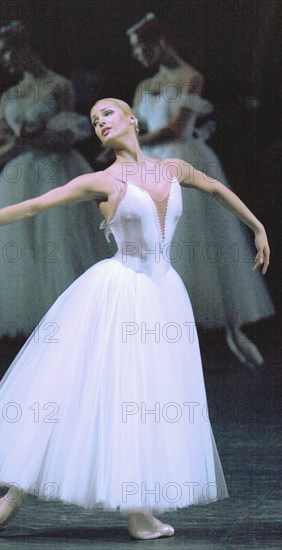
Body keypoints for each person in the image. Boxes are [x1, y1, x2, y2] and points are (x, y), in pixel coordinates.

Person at [0, 98, 269, 540]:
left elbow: (216, 189)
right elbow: (36, 205)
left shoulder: (173, 168)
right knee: (72, 389)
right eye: (93, 120)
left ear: (131, 119)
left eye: (107, 113)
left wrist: (256, 225)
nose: (100, 122)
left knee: (151, 399)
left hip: (163, 296)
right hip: (120, 292)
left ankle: (141, 514)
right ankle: (14, 493)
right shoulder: (102, 181)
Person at [127, 13, 274, 367]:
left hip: (183, 163)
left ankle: (233, 329)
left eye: (143, 46)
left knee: (205, 245)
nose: (138, 54)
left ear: (161, 41)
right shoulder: (144, 87)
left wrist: (135, 145)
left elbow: (177, 128)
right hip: (150, 167)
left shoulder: (191, 77)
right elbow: (133, 126)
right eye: (134, 49)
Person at [0, 21, 108, 337]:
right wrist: (23, 142)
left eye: (7, 52)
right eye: (0, 55)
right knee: (23, 248)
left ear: (24, 48)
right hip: (19, 177)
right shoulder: (9, 95)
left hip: (57, 172)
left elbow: (68, 136)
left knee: (60, 244)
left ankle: (72, 327)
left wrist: (34, 138)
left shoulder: (59, 86)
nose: (4, 61)